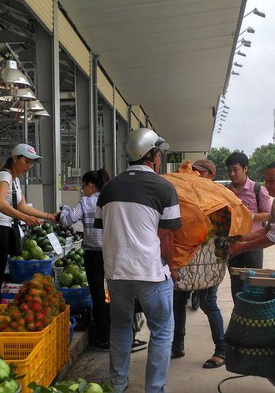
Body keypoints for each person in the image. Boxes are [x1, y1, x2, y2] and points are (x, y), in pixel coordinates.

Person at [95, 128, 181, 393]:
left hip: (116, 272)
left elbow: (102, 229)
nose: (159, 158)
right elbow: (166, 238)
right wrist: (173, 267)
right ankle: (154, 389)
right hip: (150, 272)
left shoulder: (108, 188)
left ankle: (118, 385)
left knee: (120, 327)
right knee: (162, 330)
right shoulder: (164, 188)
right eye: (158, 153)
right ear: (152, 156)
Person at [0, 144, 60, 303]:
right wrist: (23, 217)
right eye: (27, 161)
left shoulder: (14, 180)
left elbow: (22, 205)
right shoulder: (5, 176)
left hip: (1, 231)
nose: (29, 165)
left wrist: (49, 216)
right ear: (15, 159)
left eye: (32, 163)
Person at [171, 159, 226, 369]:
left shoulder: (218, 195)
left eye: (199, 172)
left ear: (211, 175)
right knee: (178, 302)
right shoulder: (182, 194)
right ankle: (178, 345)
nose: (194, 175)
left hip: (208, 261)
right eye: (192, 171)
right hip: (184, 258)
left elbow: (225, 228)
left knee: (208, 303)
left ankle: (221, 350)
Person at [60, 168, 112, 350]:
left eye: (83, 187)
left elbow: (67, 220)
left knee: (98, 296)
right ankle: (118, 335)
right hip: (111, 253)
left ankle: (104, 338)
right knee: (112, 294)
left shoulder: (86, 202)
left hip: (93, 255)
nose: (83, 191)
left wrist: (64, 208)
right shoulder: (109, 199)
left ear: (90, 185)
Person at [228, 160, 275, 268]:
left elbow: (272, 238)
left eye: (272, 181)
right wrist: (242, 238)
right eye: (266, 181)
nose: (267, 185)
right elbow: (267, 229)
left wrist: (241, 247)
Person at [224, 152, 272, 300]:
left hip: (254, 243)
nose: (232, 174)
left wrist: (250, 216)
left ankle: (254, 315)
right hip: (233, 242)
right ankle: (239, 312)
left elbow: (269, 215)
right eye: (229, 170)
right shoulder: (225, 191)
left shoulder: (258, 189)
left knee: (255, 280)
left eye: (235, 169)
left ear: (245, 169)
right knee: (236, 281)